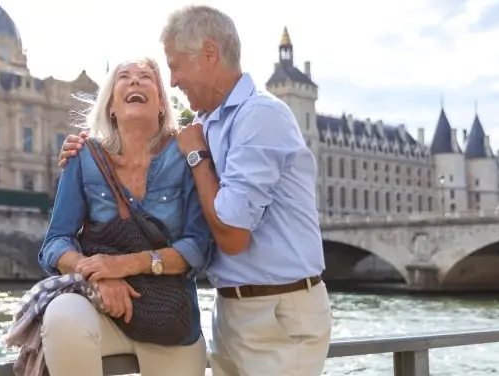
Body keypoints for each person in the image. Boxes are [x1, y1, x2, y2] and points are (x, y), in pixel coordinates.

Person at [58, 5, 332, 376]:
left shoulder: (260, 116)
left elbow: (232, 237)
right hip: (232, 311)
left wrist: (197, 158)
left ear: (208, 54)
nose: (172, 82)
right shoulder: (203, 123)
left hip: (280, 313)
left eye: (175, 66)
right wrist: (83, 149)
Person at [38, 57, 211, 376]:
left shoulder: (186, 155)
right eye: (124, 77)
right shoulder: (84, 156)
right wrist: (98, 275)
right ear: (111, 107)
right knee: (62, 316)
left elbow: (198, 248)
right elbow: (54, 243)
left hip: (171, 320)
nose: (135, 81)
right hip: (102, 311)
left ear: (161, 103)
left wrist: (123, 265)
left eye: (147, 77)